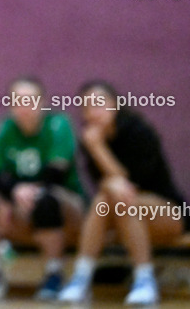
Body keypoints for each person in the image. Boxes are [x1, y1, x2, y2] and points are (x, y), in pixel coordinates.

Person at [58, 80, 188, 305]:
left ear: (115, 105)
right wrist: (106, 173)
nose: (94, 112)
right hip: (122, 219)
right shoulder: (89, 141)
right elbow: (106, 185)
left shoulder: (140, 132)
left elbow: (130, 185)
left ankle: (144, 279)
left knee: (120, 199)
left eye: (100, 104)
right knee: (107, 198)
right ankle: (81, 277)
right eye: (87, 107)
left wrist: (99, 150)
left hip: (167, 213)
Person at [0, 76, 84, 300]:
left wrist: (26, 191)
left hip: (64, 200)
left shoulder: (59, 124)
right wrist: (14, 193)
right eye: (17, 101)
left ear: (43, 102)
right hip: (18, 198)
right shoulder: (7, 127)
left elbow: (57, 172)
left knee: (45, 201)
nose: (24, 107)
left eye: (30, 101)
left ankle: (54, 273)